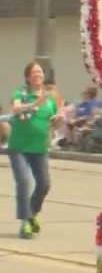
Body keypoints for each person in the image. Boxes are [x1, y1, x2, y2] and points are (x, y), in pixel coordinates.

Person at [7, 61, 63, 239]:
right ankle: (25, 222)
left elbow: (56, 121)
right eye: (34, 72)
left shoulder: (51, 98)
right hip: (19, 147)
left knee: (44, 184)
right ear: (28, 77)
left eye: (40, 71)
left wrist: (60, 118)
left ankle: (32, 214)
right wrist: (34, 104)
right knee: (23, 182)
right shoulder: (21, 93)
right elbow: (16, 109)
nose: (38, 74)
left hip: (39, 148)